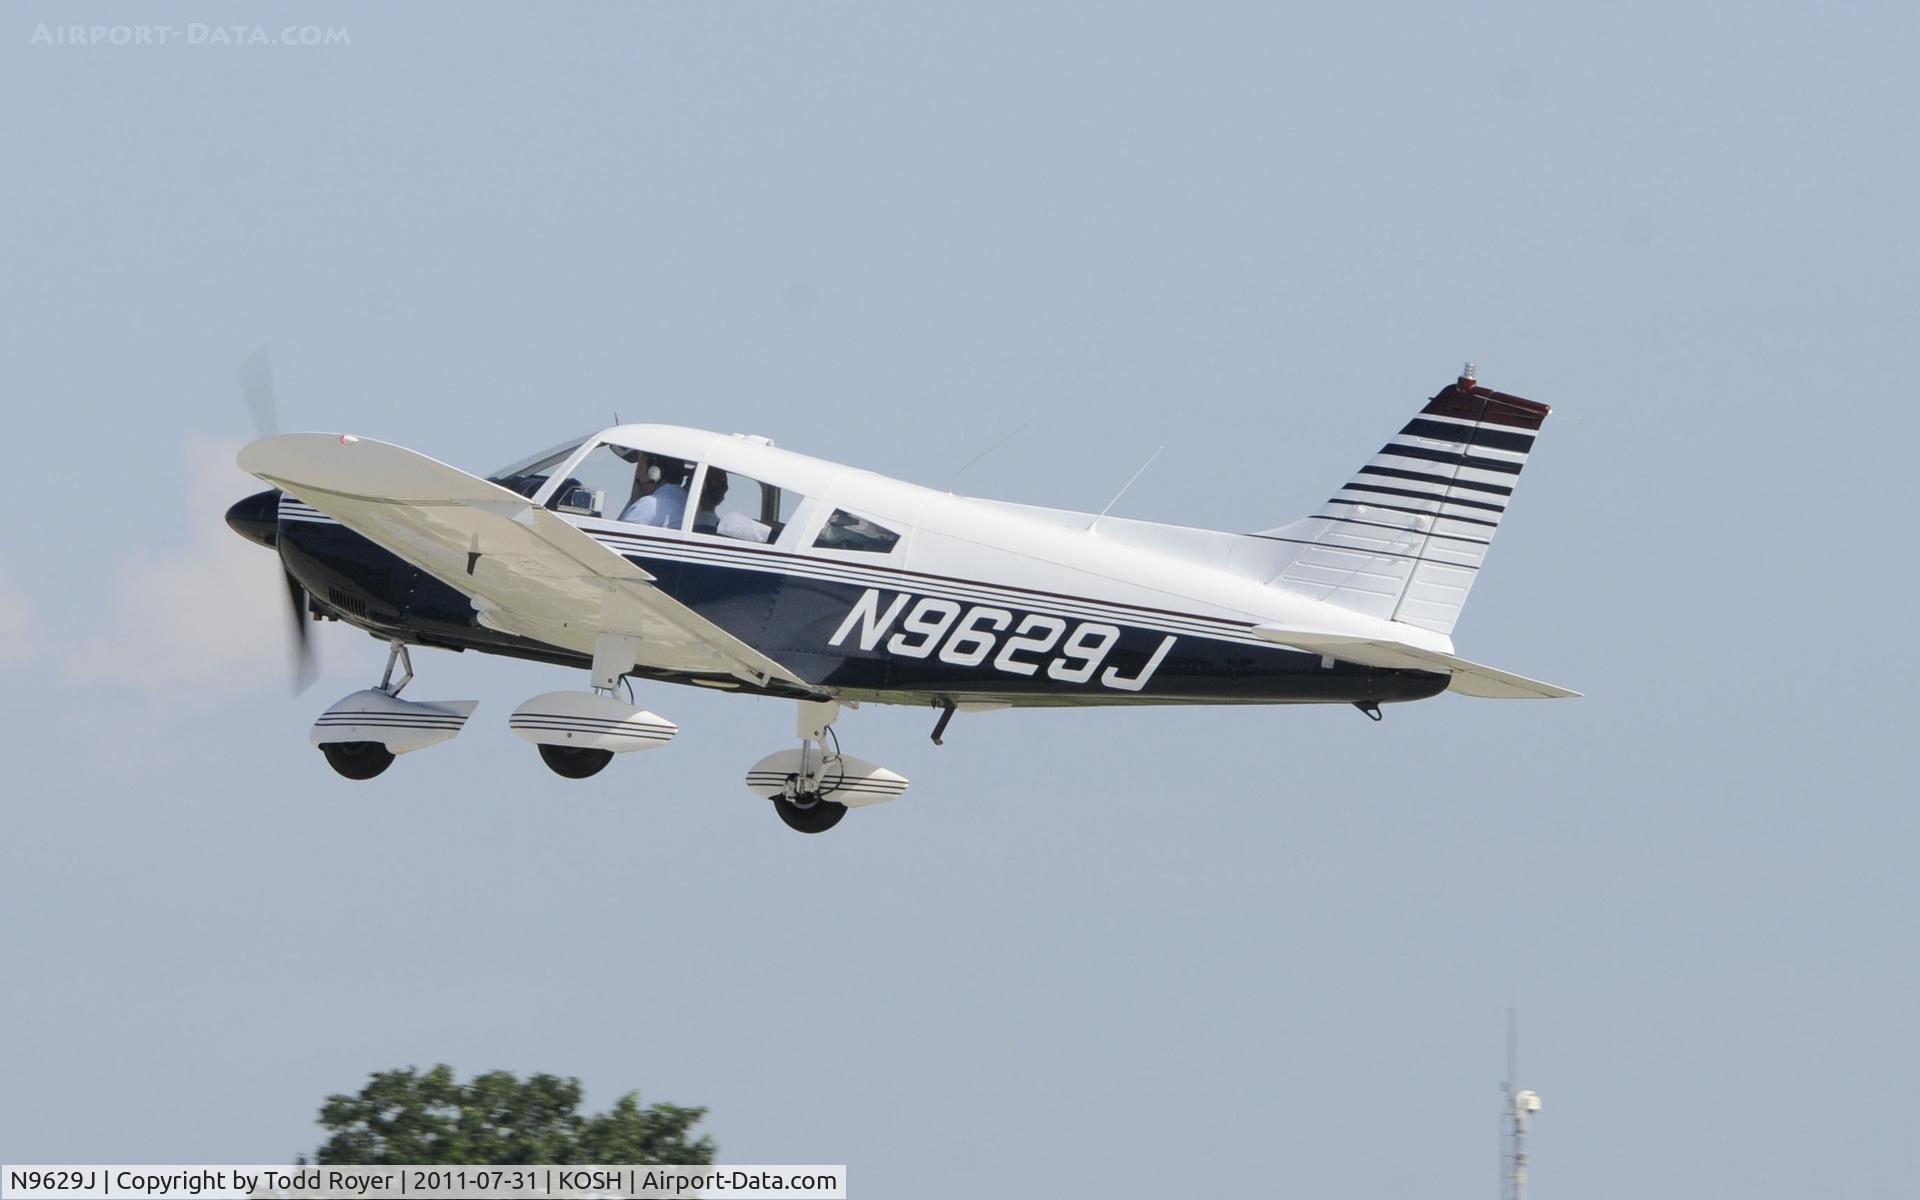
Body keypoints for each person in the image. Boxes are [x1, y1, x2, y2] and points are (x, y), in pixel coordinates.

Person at [617, 453, 688, 527]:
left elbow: (616, 535)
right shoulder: (684, 502)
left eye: (640, 464)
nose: (638, 475)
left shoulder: (648, 505)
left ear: (654, 472)